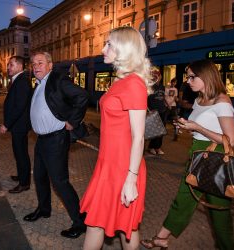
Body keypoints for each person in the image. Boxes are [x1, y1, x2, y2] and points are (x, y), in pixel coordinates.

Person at [141, 59, 234, 250]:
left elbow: (231, 140)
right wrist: (187, 127)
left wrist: (197, 127)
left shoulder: (222, 101)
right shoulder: (200, 99)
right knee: (184, 199)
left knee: (219, 212)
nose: (188, 80)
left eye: (193, 77)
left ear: (206, 76)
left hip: (216, 158)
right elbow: (202, 128)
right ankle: (161, 238)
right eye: (188, 76)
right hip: (198, 153)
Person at [80, 26, 152, 250]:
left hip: (123, 168)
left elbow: (139, 137)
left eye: (109, 44)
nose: (103, 48)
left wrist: (130, 180)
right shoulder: (121, 81)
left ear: (125, 49)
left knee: (122, 226)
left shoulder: (133, 85)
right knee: (117, 225)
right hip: (108, 164)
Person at [24, 51, 89, 239]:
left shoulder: (57, 79)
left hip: (55, 139)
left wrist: (72, 121)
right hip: (41, 140)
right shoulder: (38, 84)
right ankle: (44, 210)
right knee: (40, 177)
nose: (36, 66)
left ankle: (80, 222)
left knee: (60, 182)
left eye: (40, 62)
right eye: (33, 63)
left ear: (50, 65)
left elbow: (82, 96)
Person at [0, 56, 32, 193]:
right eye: (8, 65)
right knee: (19, 153)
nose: (8, 67)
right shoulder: (18, 80)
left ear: (19, 65)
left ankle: (24, 183)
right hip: (18, 125)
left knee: (21, 154)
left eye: (11, 64)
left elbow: (19, 106)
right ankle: (21, 176)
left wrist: (6, 124)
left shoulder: (22, 81)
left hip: (19, 125)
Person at [147, 70, 167, 155]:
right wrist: (149, 110)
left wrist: (167, 105)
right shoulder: (151, 87)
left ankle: (158, 147)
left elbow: (163, 97)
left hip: (163, 110)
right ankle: (152, 147)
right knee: (155, 131)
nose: (158, 78)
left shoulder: (163, 87)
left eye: (159, 76)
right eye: (155, 76)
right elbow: (147, 99)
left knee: (161, 131)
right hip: (154, 111)